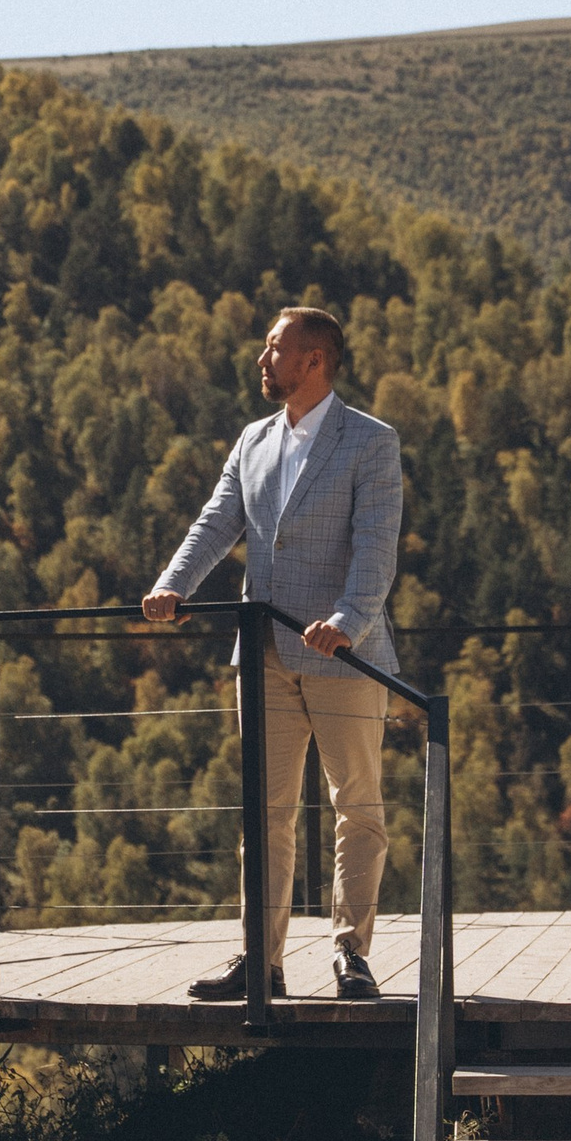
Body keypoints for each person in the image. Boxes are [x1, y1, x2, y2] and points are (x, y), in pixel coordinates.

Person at [142, 305, 403, 1002]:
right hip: (263, 655)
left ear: (313, 360)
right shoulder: (253, 440)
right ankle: (263, 960)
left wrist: (347, 619)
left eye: (274, 348)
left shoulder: (370, 442)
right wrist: (173, 586)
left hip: (343, 653)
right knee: (265, 812)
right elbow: (216, 521)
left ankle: (353, 955)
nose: (263, 359)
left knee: (358, 807)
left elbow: (377, 546)